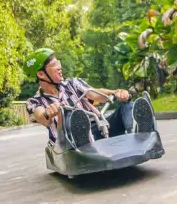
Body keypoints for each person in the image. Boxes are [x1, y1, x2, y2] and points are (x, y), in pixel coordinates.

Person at [23, 47, 156, 148]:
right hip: (70, 140)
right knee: (70, 115)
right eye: (54, 65)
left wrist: (116, 92)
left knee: (127, 106)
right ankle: (83, 142)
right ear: (41, 74)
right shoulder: (35, 102)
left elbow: (95, 93)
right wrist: (49, 112)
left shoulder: (72, 83)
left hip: (97, 128)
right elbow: (41, 117)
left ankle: (139, 134)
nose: (59, 67)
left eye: (58, 62)